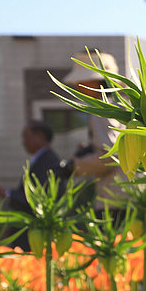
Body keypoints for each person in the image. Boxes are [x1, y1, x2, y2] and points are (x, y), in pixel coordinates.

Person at [61, 51, 124, 211]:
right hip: (131, 194)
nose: (77, 86)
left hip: (115, 197)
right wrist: (90, 150)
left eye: (82, 81)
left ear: (96, 82)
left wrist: (75, 166)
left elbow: (111, 155)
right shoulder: (120, 105)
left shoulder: (101, 109)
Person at [0, 120, 63, 249]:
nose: (23, 142)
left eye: (26, 137)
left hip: (35, 231)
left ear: (40, 136)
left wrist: (5, 193)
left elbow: (37, 200)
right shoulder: (43, 160)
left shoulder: (48, 162)